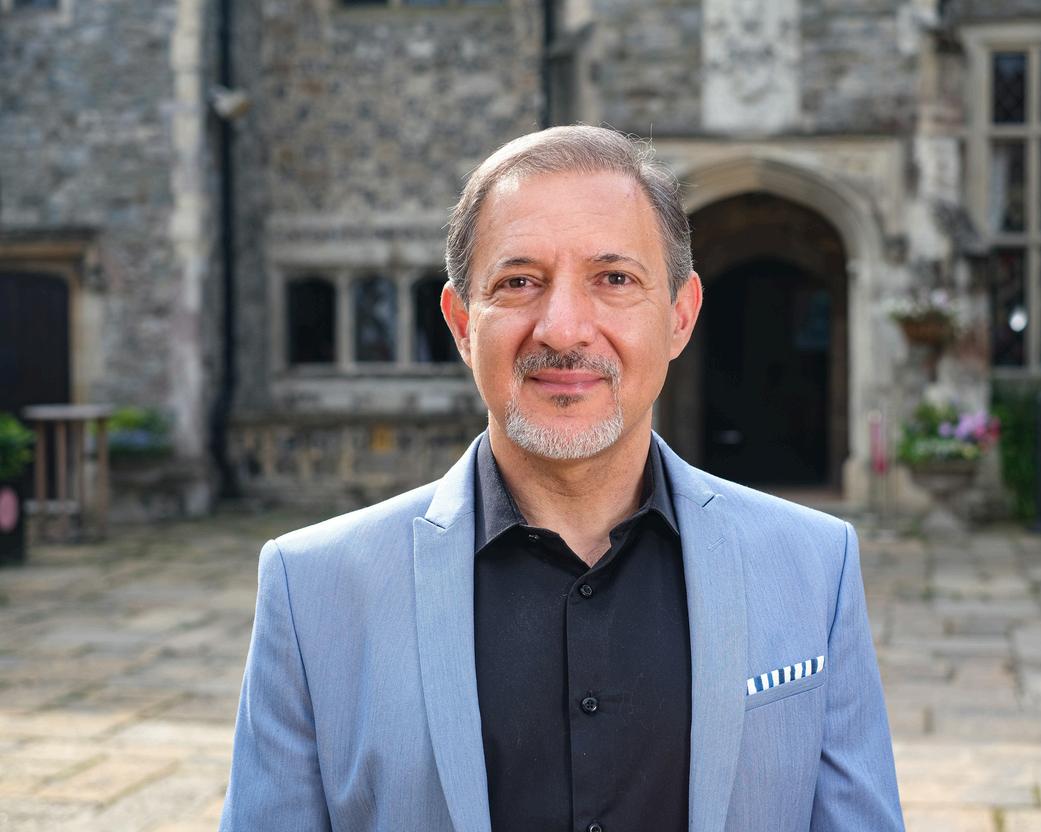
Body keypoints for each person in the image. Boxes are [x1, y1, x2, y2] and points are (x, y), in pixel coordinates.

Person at [220, 125, 904, 832]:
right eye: (519, 282)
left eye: (614, 279)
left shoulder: (814, 567)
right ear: (461, 322)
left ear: (680, 316)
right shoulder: (314, 590)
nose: (564, 328)